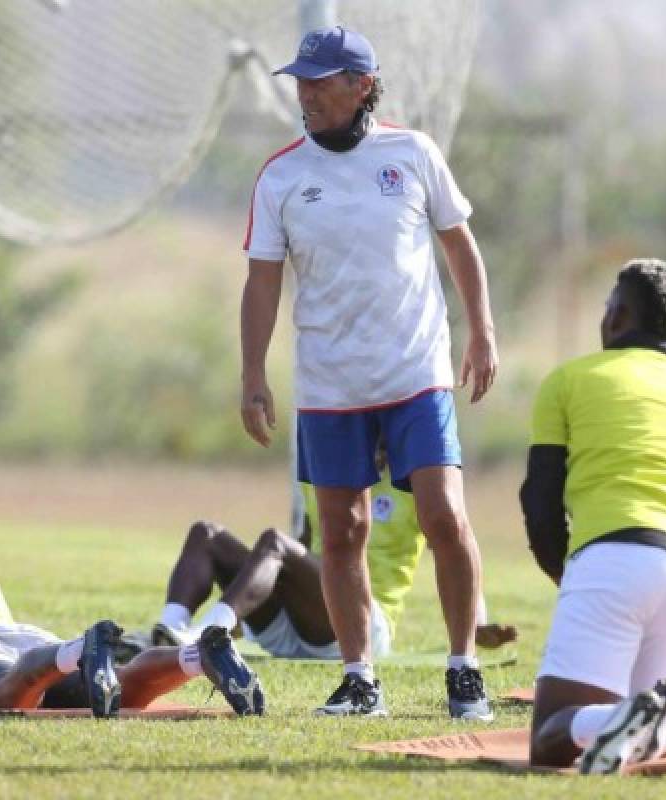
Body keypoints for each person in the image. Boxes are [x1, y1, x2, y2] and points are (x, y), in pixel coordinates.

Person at [240, 25, 499, 719]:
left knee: (444, 516)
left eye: (321, 81)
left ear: (361, 85)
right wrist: (252, 373)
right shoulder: (282, 176)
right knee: (342, 532)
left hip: (417, 372)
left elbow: (459, 245)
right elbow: (262, 282)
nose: (307, 93)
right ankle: (361, 681)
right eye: (301, 80)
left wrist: (482, 332)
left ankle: (464, 670)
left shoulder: (412, 153)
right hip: (329, 384)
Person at [520, 258, 666, 774]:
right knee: (656, 736)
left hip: (615, 559)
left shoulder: (569, 380)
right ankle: (641, 718)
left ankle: (619, 716)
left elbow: (540, 500)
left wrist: (566, 573)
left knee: (552, 736)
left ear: (618, 315)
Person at [0, 513, 264, 717]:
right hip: (26, 639)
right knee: (128, 686)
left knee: (9, 697)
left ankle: (80, 649)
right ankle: (197, 656)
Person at [144, 472, 518, 675]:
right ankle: (169, 629)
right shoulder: (326, 476)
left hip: (361, 627)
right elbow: (302, 551)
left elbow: (452, 549)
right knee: (205, 534)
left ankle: (209, 632)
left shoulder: (414, 489)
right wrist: (246, 608)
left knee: (275, 541)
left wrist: (477, 623)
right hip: (300, 618)